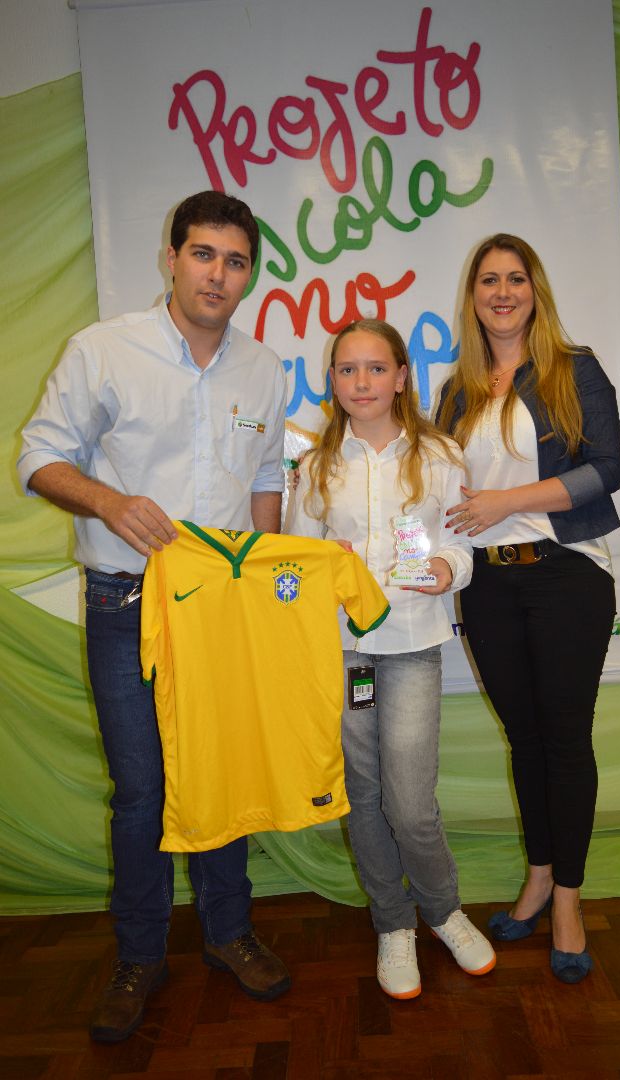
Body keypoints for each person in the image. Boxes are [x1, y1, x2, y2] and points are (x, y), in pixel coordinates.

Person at [17, 191, 291, 1042]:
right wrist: (109, 500)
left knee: (220, 776)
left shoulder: (264, 367)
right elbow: (38, 457)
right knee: (141, 792)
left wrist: (261, 577)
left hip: (221, 611)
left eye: (236, 261)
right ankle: (139, 955)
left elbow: (266, 477)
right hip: (125, 601)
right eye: (203, 254)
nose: (218, 275)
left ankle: (228, 932)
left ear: (250, 274)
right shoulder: (103, 350)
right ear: (171, 258)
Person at [286, 318, 496, 999]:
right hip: (347, 654)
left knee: (410, 804)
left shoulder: (438, 455)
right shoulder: (316, 467)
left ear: (402, 377)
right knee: (364, 798)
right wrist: (320, 569)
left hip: (411, 647)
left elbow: (462, 544)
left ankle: (444, 912)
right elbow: (295, 564)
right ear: (333, 380)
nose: (362, 382)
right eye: (348, 369)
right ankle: (393, 923)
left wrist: (447, 568)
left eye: (376, 368)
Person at [436, 234, 620, 984]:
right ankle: (540, 877)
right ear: (474, 296)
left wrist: (507, 502)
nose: (503, 292)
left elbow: (607, 470)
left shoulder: (574, 370)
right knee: (525, 739)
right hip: (487, 586)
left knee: (565, 742)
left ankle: (569, 900)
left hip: (566, 576)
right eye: (489, 280)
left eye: (516, 279)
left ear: (534, 290)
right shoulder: (456, 392)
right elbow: (436, 489)